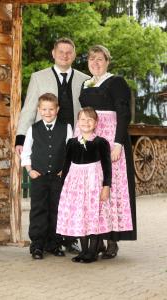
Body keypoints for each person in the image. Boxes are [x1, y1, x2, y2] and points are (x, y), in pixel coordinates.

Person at [16, 37, 89, 253]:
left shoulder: (85, 79)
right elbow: (29, 107)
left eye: (69, 52)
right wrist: (21, 137)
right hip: (45, 145)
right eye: (61, 51)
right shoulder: (39, 77)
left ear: (74, 55)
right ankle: (43, 241)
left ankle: (68, 239)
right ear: (53, 53)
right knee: (45, 200)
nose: (65, 55)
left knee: (72, 196)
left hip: (75, 144)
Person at [78, 45, 137, 259]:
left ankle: (112, 240)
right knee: (93, 189)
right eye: (91, 59)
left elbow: (124, 113)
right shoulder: (85, 84)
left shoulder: (117, 82)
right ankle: (98, 239)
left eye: (100, 59)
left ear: (107, 61)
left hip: (111, 139)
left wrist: (118, 143)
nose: (95, 63)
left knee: (112, 188)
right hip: (90, 139)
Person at [21, 93, 73, 260]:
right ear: (39, 110)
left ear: (57, 109)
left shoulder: (66, 128)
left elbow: (71, 152)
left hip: (58, 177)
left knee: (57, 210)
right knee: (38, 210)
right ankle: (37, 245)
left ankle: (55, 244)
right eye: (44, 109)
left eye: (51, 109)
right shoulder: (33, 129)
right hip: (39, 176)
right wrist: (30, 170)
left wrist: (64, 170)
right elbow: (26, 152)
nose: (48, 112)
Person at [56, 107, 112, 263]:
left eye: (90, 120)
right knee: (81, 216)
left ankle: (92, 252)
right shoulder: (72, 142)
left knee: (93, 215)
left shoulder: (101, 142)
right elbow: (66, 165)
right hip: (76, 186)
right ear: (77, 122)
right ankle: (84, 251)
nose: (86, 123)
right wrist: (63, 188)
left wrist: (106, 187)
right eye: (82, 119)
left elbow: (107, 167)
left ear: (95, 123)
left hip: (93, 185)